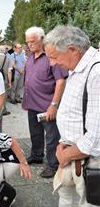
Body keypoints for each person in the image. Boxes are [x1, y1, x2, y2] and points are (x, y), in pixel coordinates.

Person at [44, 25, 100, 207]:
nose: (52, 64)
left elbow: (96, 137)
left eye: (54, 56)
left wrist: (65, 155)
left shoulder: (96, 72)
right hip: (73, 154)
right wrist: (63, 143)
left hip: (90, 161)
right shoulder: (77, 68)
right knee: (67, 203)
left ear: (73, 50)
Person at [23, 26, 68, 178]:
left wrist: (54, 105)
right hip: (32, 104)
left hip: (47, 105)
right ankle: (36, 155)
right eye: (27, 42)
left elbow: (61, 81)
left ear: (42, 39)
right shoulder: (30, 57)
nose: (29, 44)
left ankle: (53, 164)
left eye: (32, 41)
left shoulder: (51, 57)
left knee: (51, 137)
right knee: (35, 133)